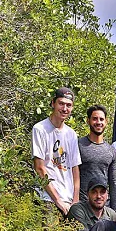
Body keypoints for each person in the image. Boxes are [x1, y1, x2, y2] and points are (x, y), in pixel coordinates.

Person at [32, 87, 81, 215]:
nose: (65, 109)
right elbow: (39, 168)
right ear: (53, 103)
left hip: (69, 200)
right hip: (47, 199)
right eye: (61, 104)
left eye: (69, 105)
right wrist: (57, 200)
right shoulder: (40, 129)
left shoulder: (72, 134)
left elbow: (75, 169)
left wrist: (75, 201)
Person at [78, 105, 116, 211]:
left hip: (103, 208)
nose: (98, 122)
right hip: (81, 206)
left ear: (106, 122)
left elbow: (114, 182)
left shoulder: (111, 150)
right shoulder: (78, 145)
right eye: (94, 119)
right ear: (88, 121)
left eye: (101, 119)